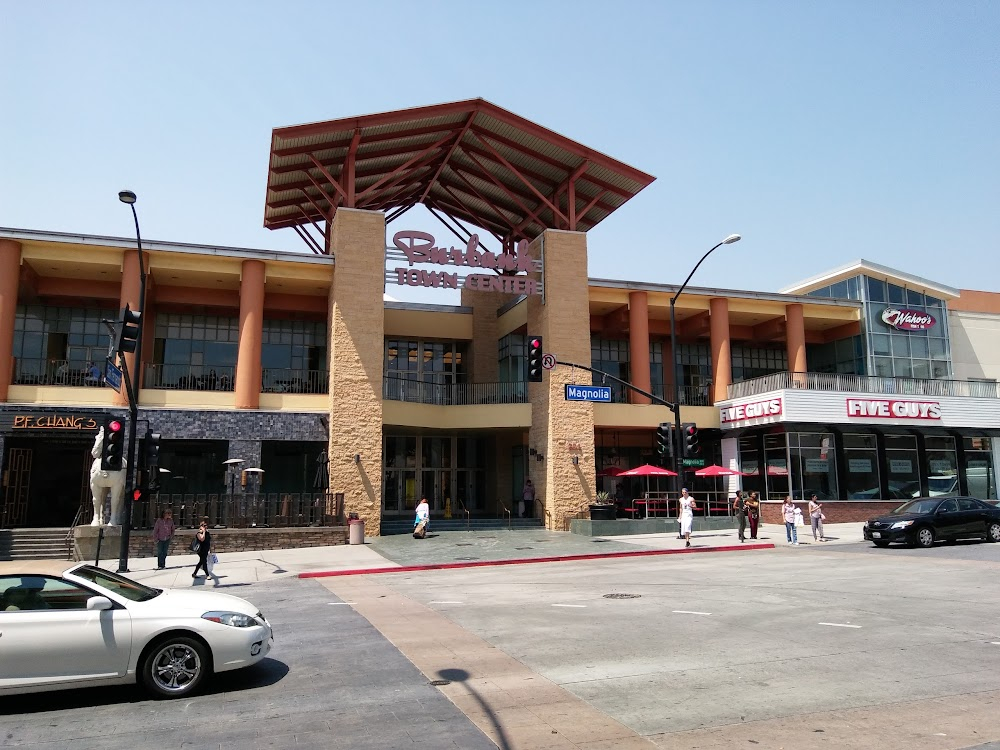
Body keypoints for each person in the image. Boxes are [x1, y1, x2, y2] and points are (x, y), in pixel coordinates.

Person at [192, 519, 219, 583]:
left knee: (201, 562)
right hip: (201, 550)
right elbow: (202, 539)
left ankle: (194, 573)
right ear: (201, 526)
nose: (205, 526)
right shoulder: (199, 533)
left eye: (206, 525)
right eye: (204, 525)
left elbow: (208, 541)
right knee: (204, 561)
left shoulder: (207, 532)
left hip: (206, 549)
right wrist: (203, 531)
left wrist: (211, 549)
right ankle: (207, 575)